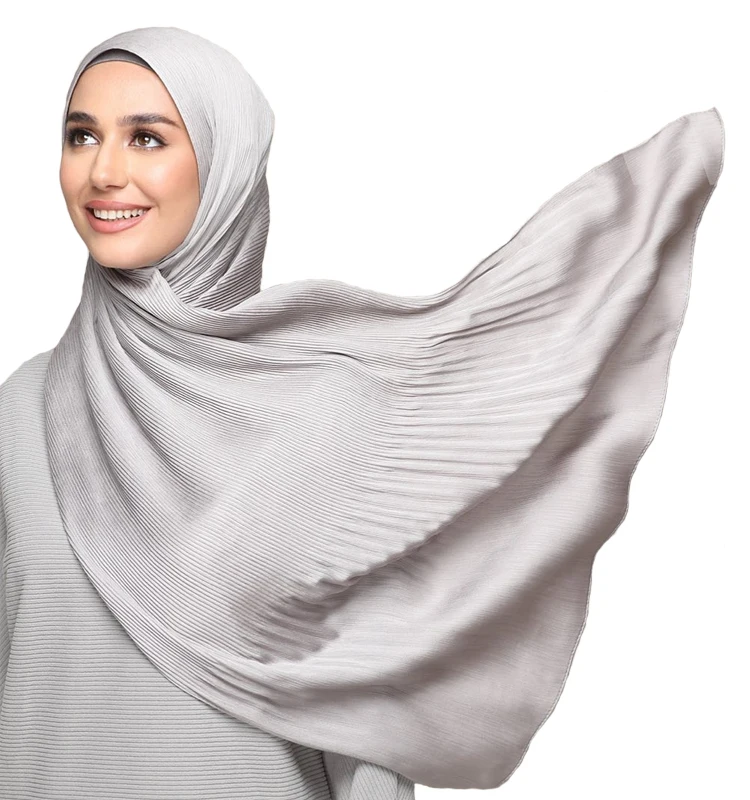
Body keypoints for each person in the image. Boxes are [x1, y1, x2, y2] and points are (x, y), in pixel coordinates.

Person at [0, 25, 724, 797]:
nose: (104, 171)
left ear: (225, 163)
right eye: (81, 136)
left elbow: (367, 724)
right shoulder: (23, 410)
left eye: (147, 138)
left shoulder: (325, 416)